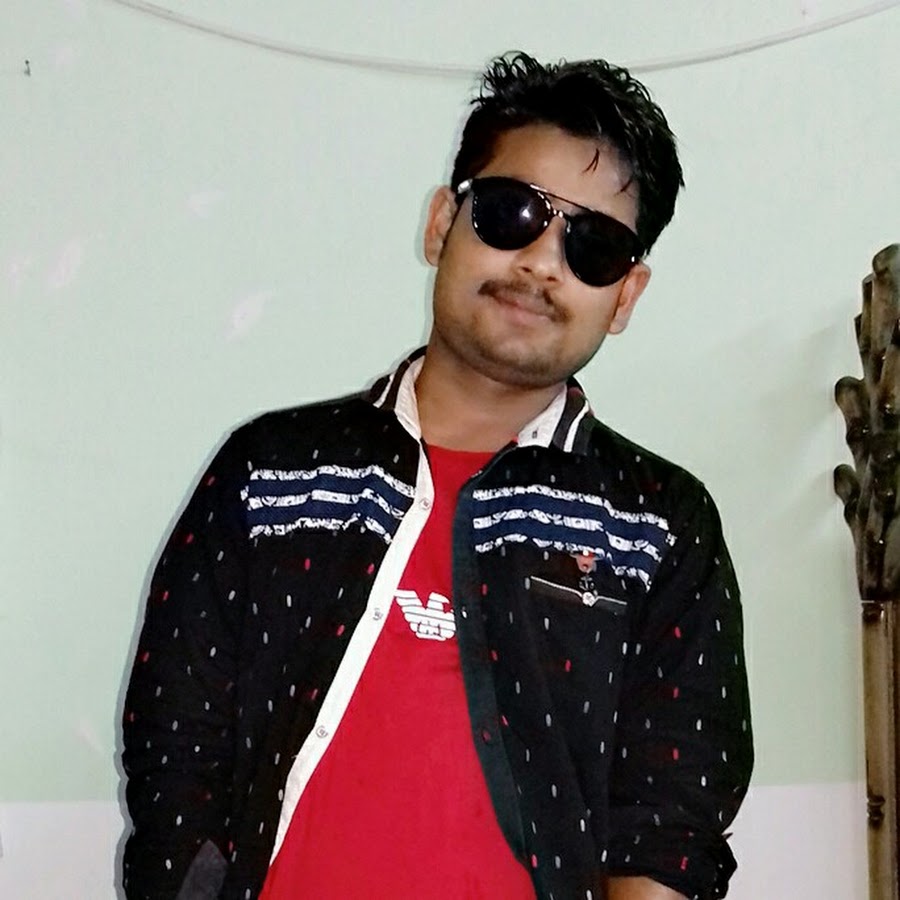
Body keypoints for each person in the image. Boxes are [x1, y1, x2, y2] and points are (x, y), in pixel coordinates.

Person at [122, 51, 753, 900]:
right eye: (511, 211)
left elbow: (671, 826)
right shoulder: (271, 475)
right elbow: (175, 758)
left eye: (593, 246)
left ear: (626, 295)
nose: (541, 261)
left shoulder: (657, 526)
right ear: (440, 224)